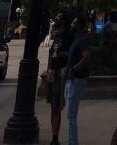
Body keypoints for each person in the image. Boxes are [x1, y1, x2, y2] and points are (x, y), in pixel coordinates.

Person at [46, 13, 73, 145]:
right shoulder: (57, 36)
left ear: (64, 22)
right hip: (52, 73)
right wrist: (48, 70)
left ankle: (55, 139)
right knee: (52, 106)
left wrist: (65, 54)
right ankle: (54, 136)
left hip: (60, 74)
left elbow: (74, 54)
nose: (56, 19)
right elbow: (51, 53)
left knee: (56, 107)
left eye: (59, 17)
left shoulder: (68, 36)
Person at [64, 15, 91, 145]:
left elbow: (86, 57)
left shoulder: (82, 40)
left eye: (74, 23)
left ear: (79, 26)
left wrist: (73, 70)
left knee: (71, 114)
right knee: (69, 114)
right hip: (71, 79)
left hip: (77, 79)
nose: (72, 25)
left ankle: (73, 142)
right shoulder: (76, 39)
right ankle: (71, 140)